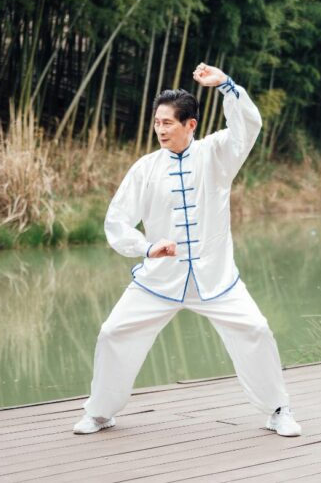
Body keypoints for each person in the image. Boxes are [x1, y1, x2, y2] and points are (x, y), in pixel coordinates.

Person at [72, 62, 301, 437]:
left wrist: (226, 85)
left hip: (216, 278)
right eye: (157, 122)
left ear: (190, 125)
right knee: (113, 332)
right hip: (159, 280)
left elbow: (247, 127)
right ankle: (100, 412)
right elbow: (116, 221)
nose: (160, 129)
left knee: (256, 330)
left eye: (168, 123)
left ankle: (278, 410)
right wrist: (146, 248)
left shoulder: (217, 155)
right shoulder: (145, 169)